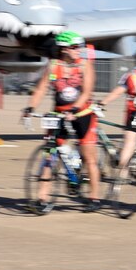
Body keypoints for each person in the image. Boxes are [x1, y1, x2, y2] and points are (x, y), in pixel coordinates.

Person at [24, 30, 102, 212]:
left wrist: (75, 109)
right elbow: (41, 89)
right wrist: (30, 108)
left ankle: (94, 197)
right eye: (75, 47)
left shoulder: (84, 65)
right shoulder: (53, 66)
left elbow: (87, 92)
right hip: (59, 113)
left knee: (89, 157)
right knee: (49, 155)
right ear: (64, 49)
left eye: (80, 47)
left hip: (83, 114)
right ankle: (42, 199)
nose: (79, 50)